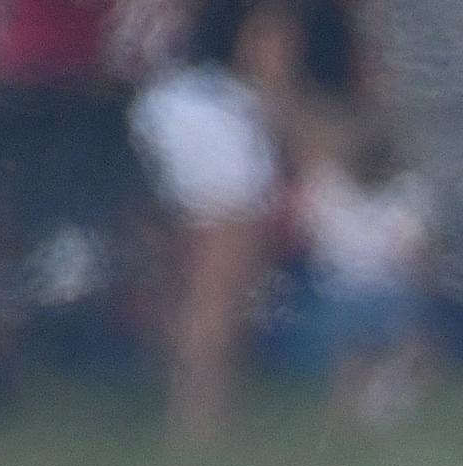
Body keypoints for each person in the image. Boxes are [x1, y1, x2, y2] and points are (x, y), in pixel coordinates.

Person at [132, 8, 284, 443]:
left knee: (193, 287)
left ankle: (194, 414)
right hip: (210, 110)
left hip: (167, 105)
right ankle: (200, 422)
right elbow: (271, 65)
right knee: (218, 287)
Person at [294, 112, 427, 414]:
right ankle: (379, 399)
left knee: (349, 353)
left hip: (342, 288)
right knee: (399, 345)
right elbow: (412, 250)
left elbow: (311, 236)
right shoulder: (408, 190)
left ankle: (349, 404)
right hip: (386, 288)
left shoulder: (325, 185)